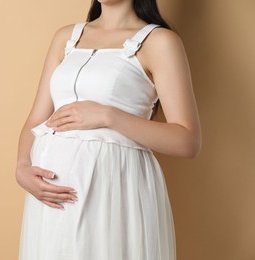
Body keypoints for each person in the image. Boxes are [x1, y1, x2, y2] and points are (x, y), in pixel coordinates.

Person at [15, 0, 202, 259]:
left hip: (114, 190)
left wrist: (107, 115)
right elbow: (36, 118)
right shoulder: (66, 37)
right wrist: (22, 166)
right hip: (51, 196)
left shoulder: (159, 41)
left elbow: (187, 141)